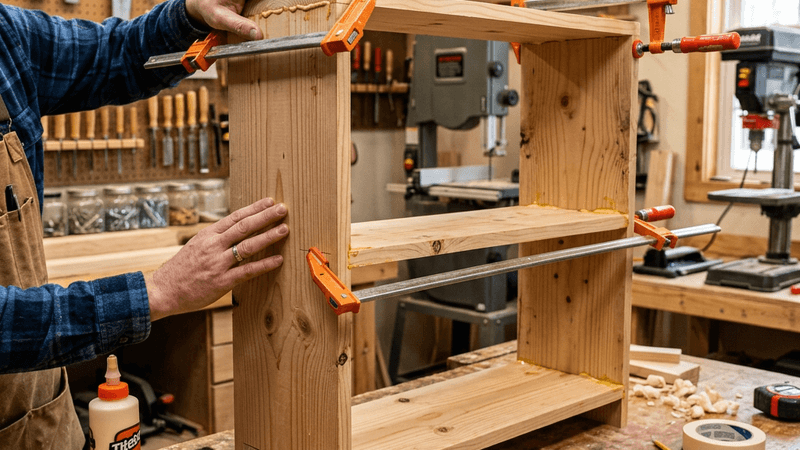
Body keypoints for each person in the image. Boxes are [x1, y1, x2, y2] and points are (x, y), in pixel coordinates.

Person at [0, 0, 287, 447]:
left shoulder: (4, 36)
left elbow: (115, 52)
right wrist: (154, 293)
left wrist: (190, 14)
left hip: (35, 415)